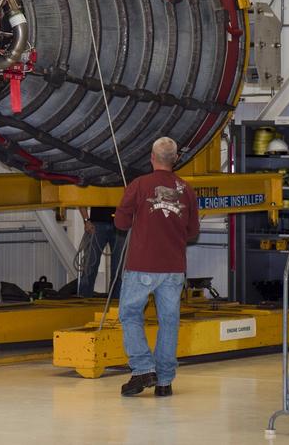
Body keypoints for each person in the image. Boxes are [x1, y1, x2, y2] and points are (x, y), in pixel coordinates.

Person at [114, 137, 199, 397]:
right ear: (175, 159)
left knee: (129, 315)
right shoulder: (187, 190)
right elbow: (193, 232)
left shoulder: (139, 185)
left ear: (151, 157)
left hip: (142, 265)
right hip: (174, 268)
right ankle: (164, 381)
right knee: (169, 322)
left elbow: (120, 223)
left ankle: (142, 369)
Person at [78, 205, 125, 298]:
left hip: (117, 224)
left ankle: (115, 303)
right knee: (90, 266)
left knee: (118, 270)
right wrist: (86, 220)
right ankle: (84, 301)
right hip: (97, 224)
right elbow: (80, 198)